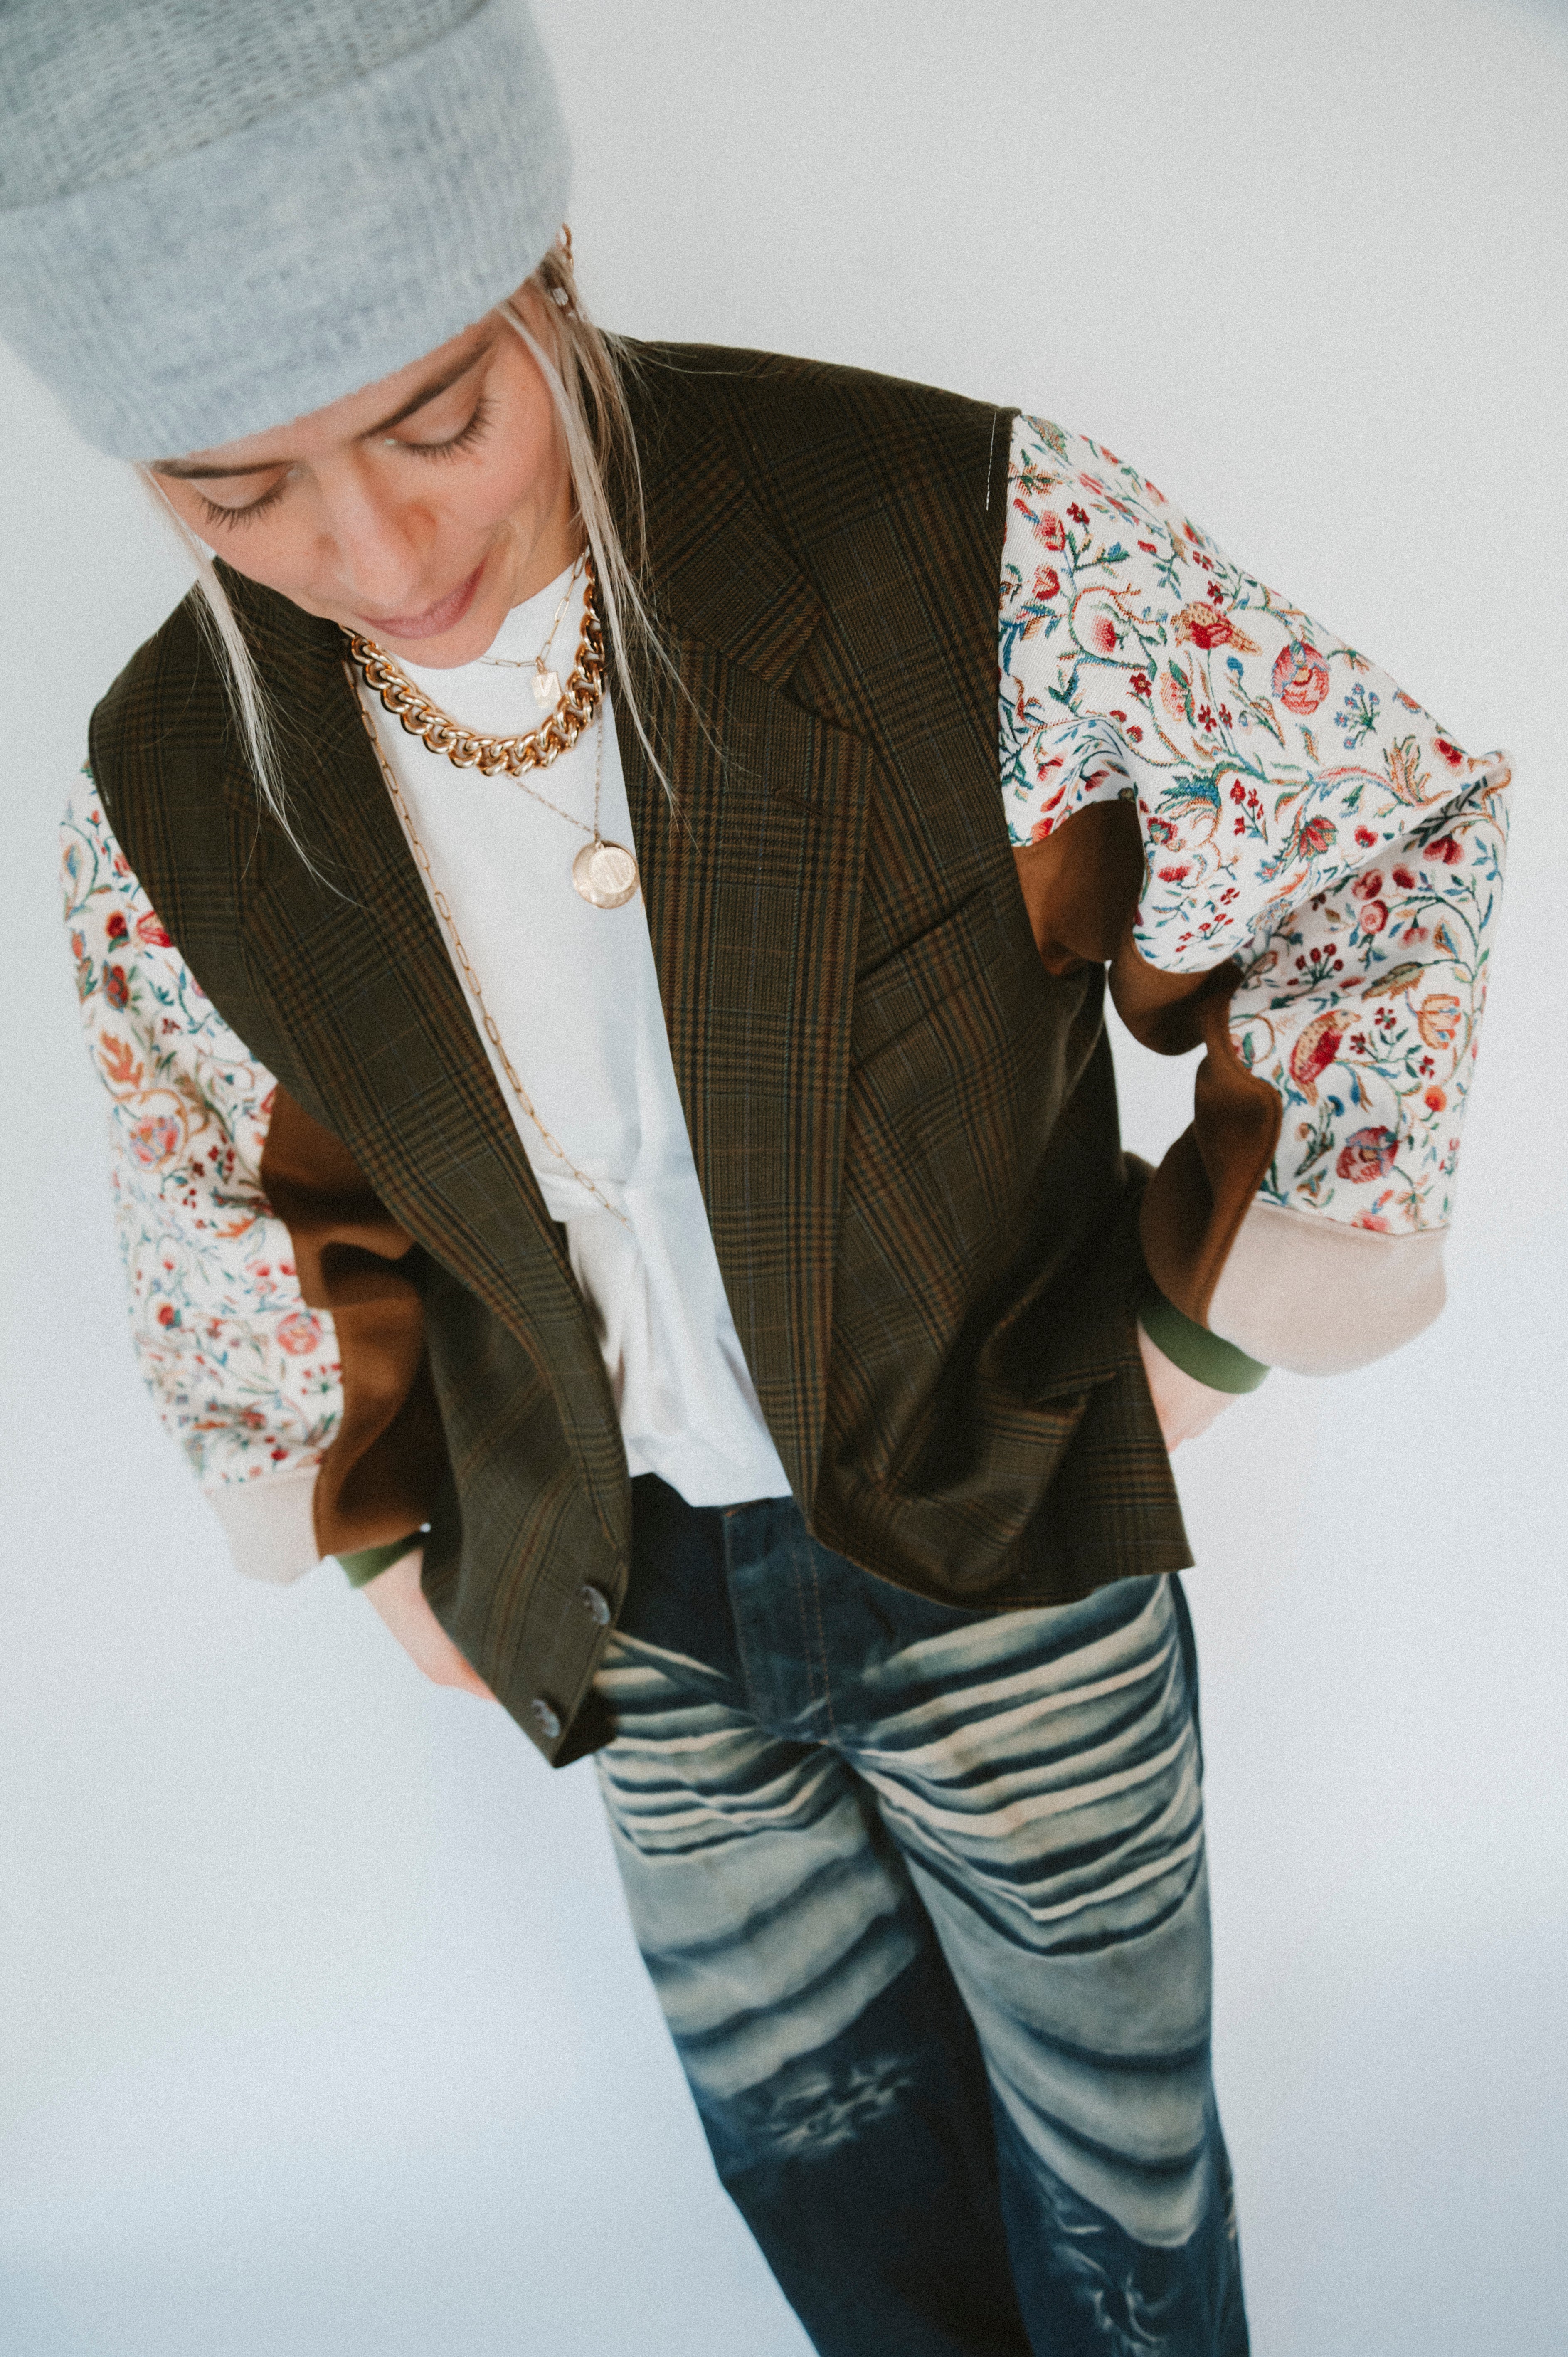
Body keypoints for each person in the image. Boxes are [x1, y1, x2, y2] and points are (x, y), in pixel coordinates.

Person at [4, 4, 1511, 2352]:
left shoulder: (946, 531)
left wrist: (1211, 1320)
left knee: (1121, 2201)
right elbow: (210, 1176)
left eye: (438, 418)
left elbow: (1369, 855)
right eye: (233, 489)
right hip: (622, 1610)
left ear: (547, 267)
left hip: (1014, 1542)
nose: (373, 551)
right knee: (829, 2188)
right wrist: (370, 1527)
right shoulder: (171, 774)